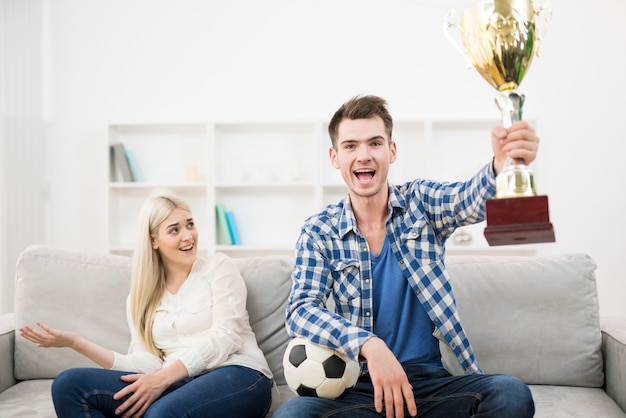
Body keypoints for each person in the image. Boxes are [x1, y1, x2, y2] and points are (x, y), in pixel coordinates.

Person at [274, 95, 536, 418]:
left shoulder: (421, 203)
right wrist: (370, 346)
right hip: (364, 389)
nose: (364, 155)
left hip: (433, 385)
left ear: (391, 151)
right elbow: (301, 310)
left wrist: (501, 165)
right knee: (294, 415)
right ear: (335, 157)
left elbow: (468, 199)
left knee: (511, 395)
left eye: (375, 143)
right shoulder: (318, 232)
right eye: (351, 146)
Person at [20, 195, 273, 418]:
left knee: (160, 414)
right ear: (154, 241)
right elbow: (146, 364)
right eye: (174, 230)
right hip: (178, 384)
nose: (188, 236)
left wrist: (161, 380)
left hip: (239, 375)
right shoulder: (140, 298)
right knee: (69, 385)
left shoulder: (219, 267)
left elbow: (226, 337)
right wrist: (77, 342)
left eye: (190, 225)